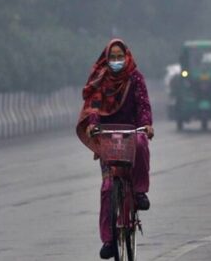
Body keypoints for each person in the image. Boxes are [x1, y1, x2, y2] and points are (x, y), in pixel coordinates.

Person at [75, 39, 155, 259]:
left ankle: (140, 192)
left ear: (126, 57)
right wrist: (92, 124)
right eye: (113, 57)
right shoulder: (101, 79)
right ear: (106, 59)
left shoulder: (135, 78)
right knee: (108, 188)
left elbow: (143, 104)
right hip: (108, 136)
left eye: (120, 56)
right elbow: (94, 106)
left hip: (131, 132)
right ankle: (109, 241)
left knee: (141, 143)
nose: (117, 61)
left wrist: (146, 124)